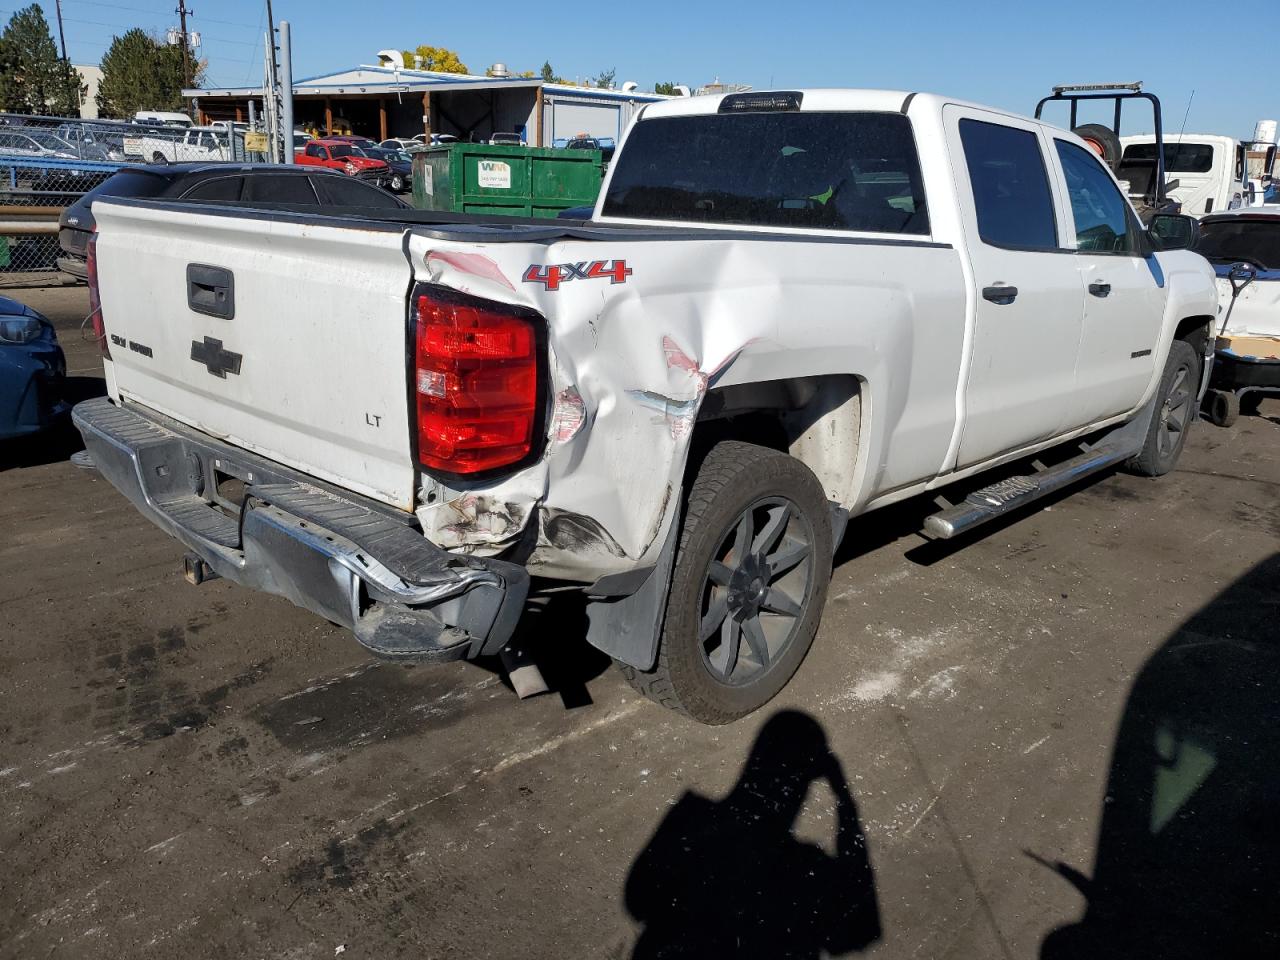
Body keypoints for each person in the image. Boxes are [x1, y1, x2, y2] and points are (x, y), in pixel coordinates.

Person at [626, 710, 881, 959]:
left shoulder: (690, 817)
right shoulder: (802, 866)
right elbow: (858, 929)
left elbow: (637, 897)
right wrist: (843, 796)